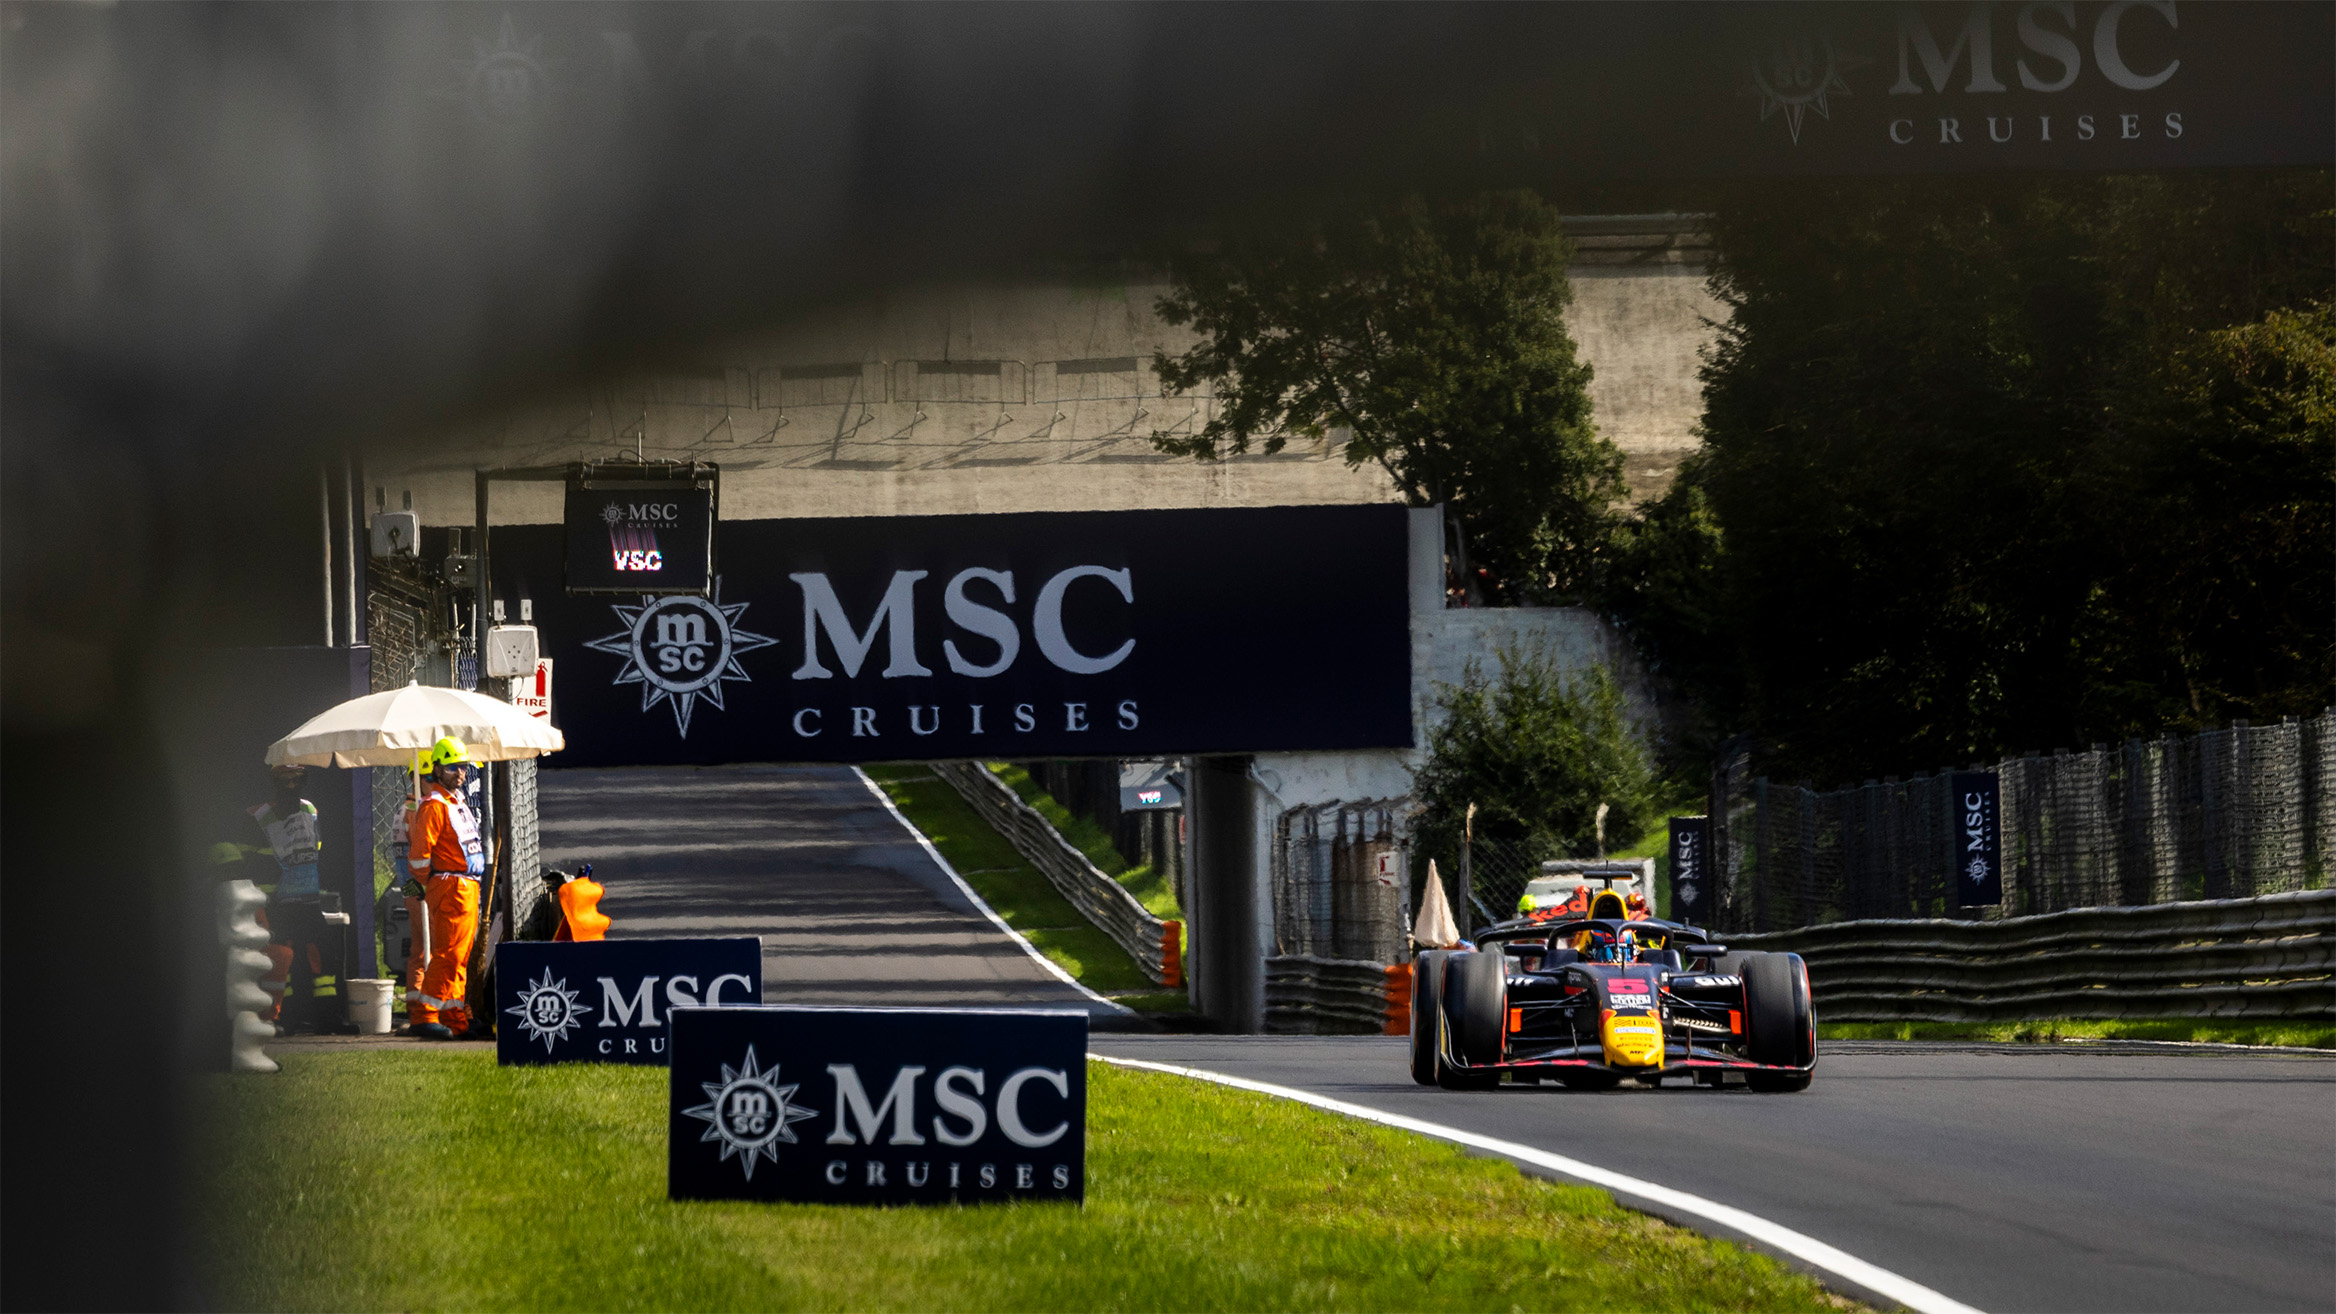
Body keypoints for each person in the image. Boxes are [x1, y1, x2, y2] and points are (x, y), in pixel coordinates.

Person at [406, 737, 487, 1039]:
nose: (460, 772)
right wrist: (434, 882)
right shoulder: (434, 805)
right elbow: (418, 858)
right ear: (437, 769)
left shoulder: (458, 802)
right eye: (453, 767)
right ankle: (424, 1016)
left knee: (460, 956)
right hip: (451, 884)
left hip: (467, 884)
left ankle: (455, 1018)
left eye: (463, 766)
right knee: (448, 955)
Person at [248, 765, 331, 1033]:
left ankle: (327, 1018)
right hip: (278, 903)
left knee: (321, 959)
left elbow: (316, 849)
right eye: (286, 780)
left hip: (309, 899)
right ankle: (286, 1019)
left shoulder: (310, 810)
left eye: (298, 779)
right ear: (275, 782)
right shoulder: (258, 815)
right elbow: (254, 862)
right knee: (285, 962)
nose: (292, 785)